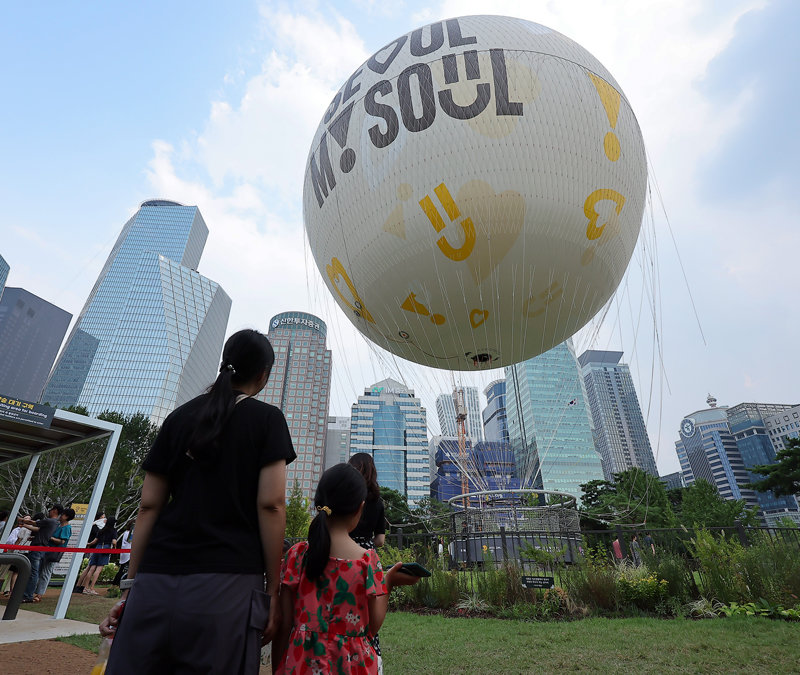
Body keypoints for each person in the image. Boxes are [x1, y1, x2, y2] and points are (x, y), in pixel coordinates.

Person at [101, 328, 295, 675]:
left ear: (225, 364)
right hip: (228, 588)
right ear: (264, 374)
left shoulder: (178, 418)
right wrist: (273, 590)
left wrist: (130, 588)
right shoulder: (268, 419)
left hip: (155, 581)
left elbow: (148, 507)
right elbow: (272, 505)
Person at [273, 463, 419, 674]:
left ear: (319, 502)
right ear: (360, 508)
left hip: (301, 663)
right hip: (352, 665)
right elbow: (372, 626)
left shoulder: (296, 555)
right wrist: (389, 581)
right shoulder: (367, 561)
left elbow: (284, 625)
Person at [348, 452, 387, 667]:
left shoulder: (346, 497)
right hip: (368, 557)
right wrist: (366, 542)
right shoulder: (378, 502)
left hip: (343, 553)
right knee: (368, 610)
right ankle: (370, 652)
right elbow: (380, 539)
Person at [20, 504, 62, 603]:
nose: (50, 511)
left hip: (38, 548)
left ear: (55, 510)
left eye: (51, 509)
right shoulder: (55, 523)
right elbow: (38, 529)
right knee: (35, 572)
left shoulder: (50, 521)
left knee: (33, 572)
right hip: (41, 548)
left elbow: (33, 523)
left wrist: (22, 520)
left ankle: (28, 595)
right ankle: (27, 593)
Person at [34, 507, 76, 601]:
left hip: (53, 553)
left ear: (66, 517)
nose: (60, 516)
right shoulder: (58, 525)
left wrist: (50, 538)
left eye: (63, 514)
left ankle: (39, 594)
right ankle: (35, 591)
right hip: (46, 550)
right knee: (39, 570)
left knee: (46, 572)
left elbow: (61, 541)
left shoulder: (66, 528)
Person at [83, 516, 118, 595]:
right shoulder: (113, 530)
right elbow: (114, 542)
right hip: (105, 548)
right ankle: (91, 588)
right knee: (98, 570)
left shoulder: (101, 530)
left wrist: (88, 544)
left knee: (92, 568)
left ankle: (85, 588)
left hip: (97, 547)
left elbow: (94, 541)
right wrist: (115, 548)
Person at [74, 512, 106, 594]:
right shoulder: (96, 527)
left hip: (93, 548)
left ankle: (81, 586)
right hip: (93, 549)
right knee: (89, 568)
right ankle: (81, 586)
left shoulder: (95, 526)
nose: (104, 518)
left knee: (89, 568)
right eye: (103, 516)